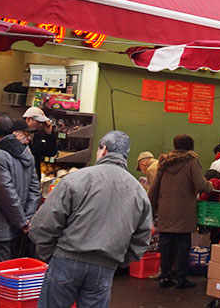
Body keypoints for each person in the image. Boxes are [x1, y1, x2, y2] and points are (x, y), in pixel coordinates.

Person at [31, 131, 152, 308]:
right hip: (105, 267)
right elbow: (143, 236)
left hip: (66, 260)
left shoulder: (76, 179)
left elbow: (44, 224)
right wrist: (119, 260)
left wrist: (51, 253)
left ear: (103, 150)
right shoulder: (138, 191)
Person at [0, 114, 40, 263]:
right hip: (15, 228)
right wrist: (25, 219)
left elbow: (6, 193)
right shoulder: (26, 154)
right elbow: (35, 190)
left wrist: (22, 222)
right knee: (6, 271)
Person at [149, 134, 212, 289]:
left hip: (165, 210)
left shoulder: (163, 163)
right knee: (184, 244)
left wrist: (151, 208)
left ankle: (165, 276)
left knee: (165, 244)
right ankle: (181, 278)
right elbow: (200, 184)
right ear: (190, 146)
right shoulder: (191, 161)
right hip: (184, 210)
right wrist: (210, 185)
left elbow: (154, 187)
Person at [24, 107, 58, 179]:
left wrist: (49, 134)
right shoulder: (18, 136)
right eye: (38, 122)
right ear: (28, 119)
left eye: (42, 122)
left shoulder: (38, 136)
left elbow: (51, 152)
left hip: (34, 178)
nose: (41, 125)